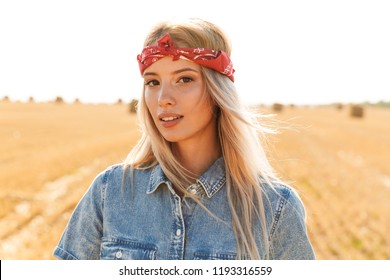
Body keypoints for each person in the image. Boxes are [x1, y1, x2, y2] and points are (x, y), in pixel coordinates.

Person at [53, 18, 315, 260]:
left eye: (184, 79)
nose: (163, 98)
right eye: (152, 82)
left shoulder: (275, 208)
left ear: (217, 91)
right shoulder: (109, 192)